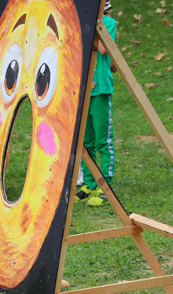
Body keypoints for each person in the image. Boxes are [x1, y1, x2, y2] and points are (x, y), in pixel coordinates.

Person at [77, 0, 117, 207]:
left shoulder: (108, 23)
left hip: (100, 90)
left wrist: (91, 23)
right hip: (85, 89)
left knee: (103, 141)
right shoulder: (83, 24)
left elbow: (102, 49)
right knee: (87, 142)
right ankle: (90, 183)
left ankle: (106, 187)